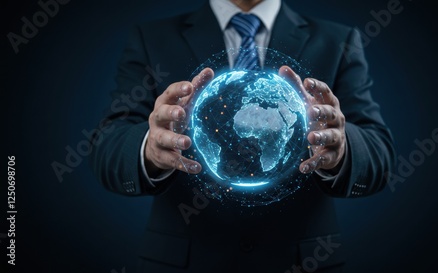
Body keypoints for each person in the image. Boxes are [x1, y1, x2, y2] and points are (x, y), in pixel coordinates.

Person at [90, 0, 395, 272]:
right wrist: (149, 149)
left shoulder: (338, 40)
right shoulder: (152, 37)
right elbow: (108, 148)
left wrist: (342, 150)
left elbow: (380, 153)